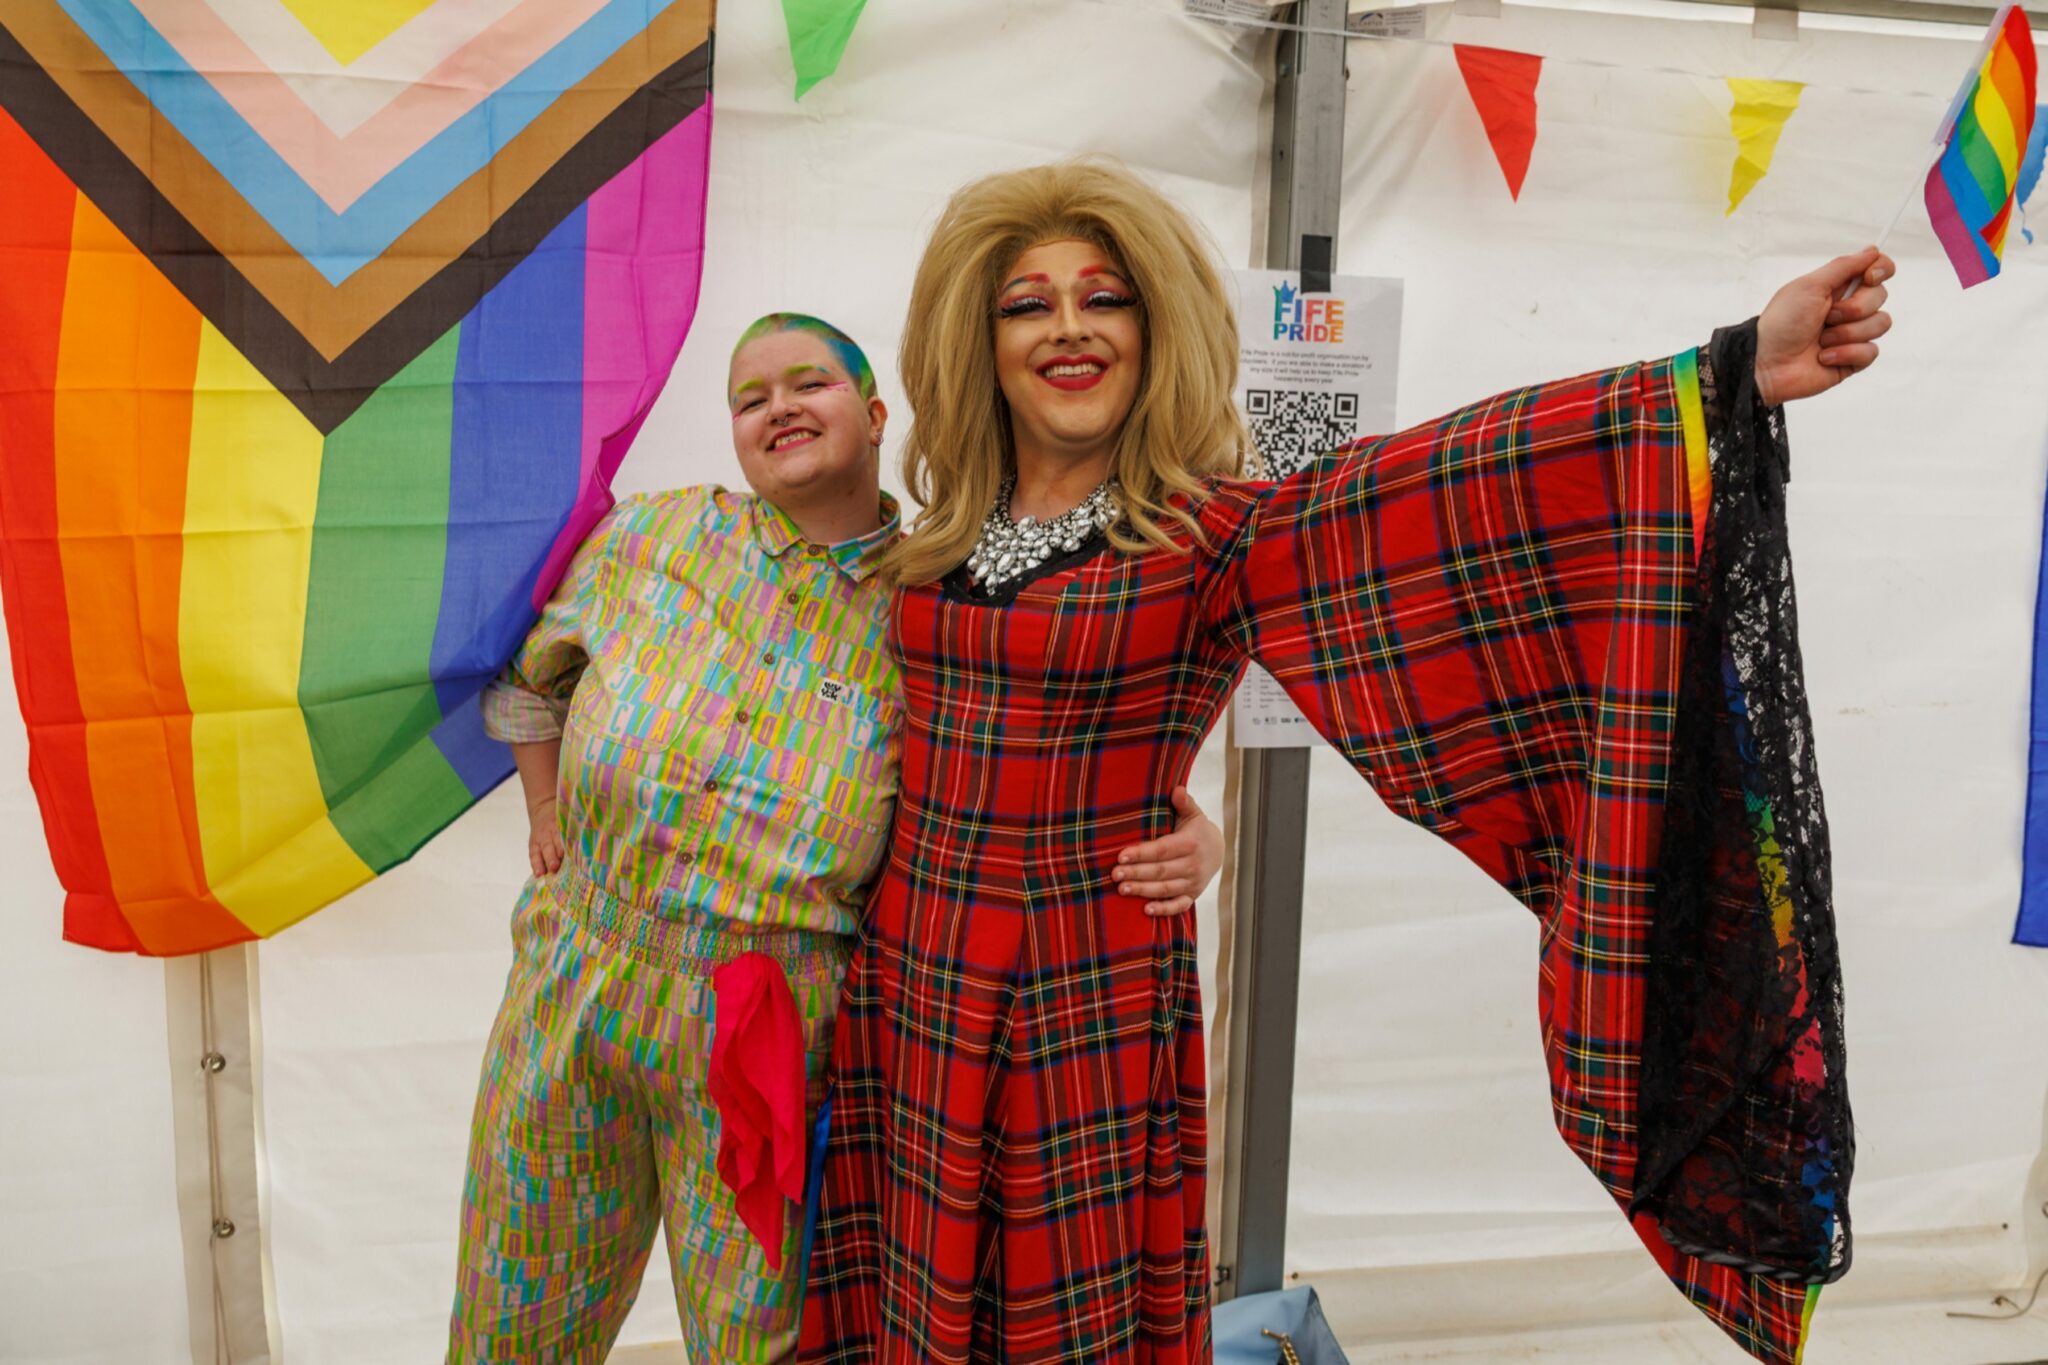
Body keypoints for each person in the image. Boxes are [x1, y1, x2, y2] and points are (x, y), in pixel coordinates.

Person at [799, 161, 1889, 1365]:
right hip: (906, 979)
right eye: (1026, 304)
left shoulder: (1215, 532)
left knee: (1065, 1318)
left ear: (1151, 329)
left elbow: (1467, 484)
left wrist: (1728, 373)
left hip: (1082, 985)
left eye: (1102, 299)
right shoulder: (928, 537)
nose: (1067, 328)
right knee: (906, 1296)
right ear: (977, 339)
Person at [444, 311, 1226, 1364]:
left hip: (776, 1011)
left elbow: (1040, 763)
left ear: (870, 414)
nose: (777, 408)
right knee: (516, 1309)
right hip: (579, 967)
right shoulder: (654, 535)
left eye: (805, 385)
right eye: (748, 397)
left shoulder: (938, 596)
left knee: (758, 1336)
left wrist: (1190, 827)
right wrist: (546, 812)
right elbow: (532, 683)